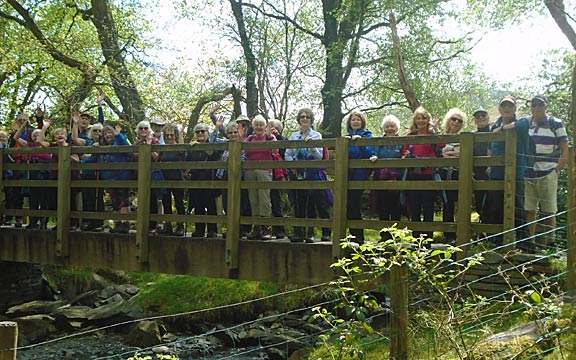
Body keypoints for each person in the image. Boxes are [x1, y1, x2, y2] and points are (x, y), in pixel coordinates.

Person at [524, 95, 569, 249]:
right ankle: (530, 242)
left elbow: (565, 150)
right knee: (529, 209)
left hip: (548, 171)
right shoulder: (526, 124)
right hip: (529, 173)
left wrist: (555, 171)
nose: (536, 107)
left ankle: (551, 243)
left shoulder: (555, 123)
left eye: (540, 104)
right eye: (534, 104)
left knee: (549, 210)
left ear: (545, 106)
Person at [485, 94, 530, 247]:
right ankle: (496, 241)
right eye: (504, 106)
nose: (506, 108)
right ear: (499, 108)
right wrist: (489, 164)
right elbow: (490, 147)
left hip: (516, 173)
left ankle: (524, 244)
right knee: (496, 206)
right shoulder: (493, 126)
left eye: (510, 106)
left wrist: (503, 128)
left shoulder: (521, 123)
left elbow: (523, 125)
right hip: (497, 173)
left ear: (515, 108)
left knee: (517, 207)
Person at [285, 108, 332, 243]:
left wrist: (311, 145)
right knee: (300, 203)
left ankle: (320, 232)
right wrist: (293, 165)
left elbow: (319, 155)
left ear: (311, 120)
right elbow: (288, 154)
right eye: (302, 117)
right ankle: (299, 232)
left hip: (314, 173)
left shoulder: (317, 135)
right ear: (299, 120)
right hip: (298, 174)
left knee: (318, 203)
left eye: (307, 117)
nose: (305, 119)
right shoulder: (294, 136)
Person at [402, 106, 442, 240]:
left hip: (428, 175)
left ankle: (427, 239)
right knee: (414, 208)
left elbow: (442, 144)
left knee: (428, 207)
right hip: (413, 175)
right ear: (415, 120)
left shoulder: (432, 136)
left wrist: (436, 129)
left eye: (424, 118)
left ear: (428, 120)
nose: (421, 121)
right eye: (418, 118)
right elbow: (403, 155)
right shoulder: (410, 136)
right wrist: (406, 156)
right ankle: (415, 238)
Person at [344, 110, 376, 244]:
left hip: (361, 173)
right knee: (347, 204)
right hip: (348, 174)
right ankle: (352, 235)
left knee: (354, 202)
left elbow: (371, 153)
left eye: (358, 119)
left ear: (362, 122)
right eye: (353, 120)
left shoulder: (367, 135)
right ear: (349, 123)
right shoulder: (347, 136)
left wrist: (360, 142)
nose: (355, 122)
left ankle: (359, 237)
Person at [13, 118, 51, 229]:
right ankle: (33, 222)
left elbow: (40, 140)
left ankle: (44, 222)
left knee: (44, 199)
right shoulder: (29, 145)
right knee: (33, 198)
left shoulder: (47, 144)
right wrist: (24, 126)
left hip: (45, 174)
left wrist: (44, 127)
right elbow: (16, 137)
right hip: (33, 174)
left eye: (38, 135)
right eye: (34, 136)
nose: (36, 138)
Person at [243, 115, 276, 240]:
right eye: (256, 125)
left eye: (261, 125)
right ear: (253, 126)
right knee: (253, 200)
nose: (259, 127)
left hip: (265, 170)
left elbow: (275, 150)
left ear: (265, 126)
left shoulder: (269, 137)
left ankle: (266, 228)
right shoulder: (250, 138)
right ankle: (256, 228)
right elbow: (241, 150)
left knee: (264, 200)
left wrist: (269, 137)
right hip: (250, 171)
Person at [186, 123, 221, 238]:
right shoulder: (192, 148)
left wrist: (201, 144)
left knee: (211, 206)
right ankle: (199, 229)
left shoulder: (212, 145)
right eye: (198, 132)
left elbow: (211, 153)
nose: (200, 133)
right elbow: (187, 163)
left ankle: (212, 230)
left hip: (209, 180)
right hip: (195, 180)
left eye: (203, 131)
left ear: (207, 133)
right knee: (198, 205)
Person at [369, 115, 403, 231]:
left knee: (395, 206)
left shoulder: (401, 142)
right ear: (384, 128)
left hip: (396, 178)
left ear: (397, 128)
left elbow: (404, 154)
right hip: (381, 177)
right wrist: (374, 157)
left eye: (392, 126)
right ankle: (384, 235)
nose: (390, 129)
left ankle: (396, 235)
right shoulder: (380, 142)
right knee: (382, 206)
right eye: (387, 126)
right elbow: (375, 153)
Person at [71, 113, 105, 231]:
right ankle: (88, 221)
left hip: (97, 174)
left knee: (97, 198)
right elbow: (74, 139)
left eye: (99, 131)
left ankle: (98, 222)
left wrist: (89, 155)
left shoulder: (104, 143)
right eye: (95, 131)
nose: (97, 133)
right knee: (86, 197)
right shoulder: (87, 141)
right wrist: (75, 123)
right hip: (85, 173)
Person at [439, 108, 467, 244]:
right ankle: (449, 235)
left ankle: (461, 234)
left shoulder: (464, 137)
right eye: (453, 119)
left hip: (459, 173)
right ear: (448, 120)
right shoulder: (442, 136)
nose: (456, 122)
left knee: (461, 204)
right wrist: (454, 153)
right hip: (443, 174)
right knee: (447, 204)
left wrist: (449, 153)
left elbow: (464, 153)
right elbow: (439, 153)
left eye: (459, 120)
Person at [99, 124, 133, 234]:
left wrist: (118, 135)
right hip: (110, 179)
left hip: (123, 177)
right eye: (105, 134)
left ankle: (125, 224)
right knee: (115, 202)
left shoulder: (120, 140)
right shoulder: (103, 147)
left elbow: (128, 149)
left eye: (109, 132)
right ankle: (118, 223)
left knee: (124, 201)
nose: (107, 135)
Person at [158, 124, 186, 236]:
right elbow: (158, 160)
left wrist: (180, 134)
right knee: (166, 203)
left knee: (179, 202)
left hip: (177, 179)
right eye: (167, 135)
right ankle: (168, 225)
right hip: (165, 180)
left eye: (172, 135)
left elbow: (183, 149)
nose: (169, 137)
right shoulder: (163, 149)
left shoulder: (178, 148)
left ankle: (180, 226)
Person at [134, 120, 162, 232]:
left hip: (152, 175)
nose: (143, 130)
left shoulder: (155, 141)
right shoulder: (136, 144)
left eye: (145, 128)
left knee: (153, 199)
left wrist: (149, 146)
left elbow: (157, 158)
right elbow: (132, 157)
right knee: (142, 200)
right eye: (141, 128)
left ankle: (154, 225)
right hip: (140, 176)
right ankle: (143, 224)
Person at [267, 119, 287, 240]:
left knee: (276, 202)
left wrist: (276, 136)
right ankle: (264, 229)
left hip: (276, 175)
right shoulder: (264, 137)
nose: (272, 130)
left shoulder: (283, 139)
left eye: (274, 128)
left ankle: (280, 230)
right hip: (265, 173)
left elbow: (284, 150)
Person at [472, 109, 491, 229]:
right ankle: (483, 231)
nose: (480, 118)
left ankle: (492, 234)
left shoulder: (494, 132)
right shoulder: (472, 135)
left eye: (483, 115)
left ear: (488, 117)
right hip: (477, 174)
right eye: (477, 116)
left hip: (491, 172)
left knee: (492, 202)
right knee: (479, 203)